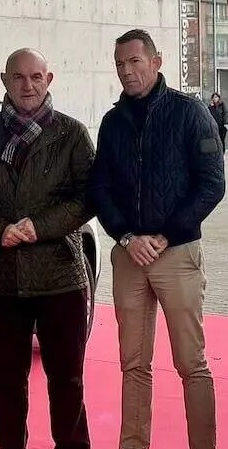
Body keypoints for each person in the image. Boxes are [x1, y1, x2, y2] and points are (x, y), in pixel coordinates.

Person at [0, 48, 95, 449]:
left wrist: (40, 227)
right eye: (18, 77)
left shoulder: (72, 134)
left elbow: (89, 198)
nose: (27, 85)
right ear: (4, 81)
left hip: (61, 278)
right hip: (2, 280)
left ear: (49, 80)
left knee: (68, 383)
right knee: (6, 385)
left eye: (36, 77)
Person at [90, 29, 224, 449]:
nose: (127, 71)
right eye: (120, 65)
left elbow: (212, 183)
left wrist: (165, 236)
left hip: (177, 254)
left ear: (157, 61)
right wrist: (127, 236)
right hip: (129, 256)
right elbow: (100, 189)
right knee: (133, 364)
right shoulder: (112, 122)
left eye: (134, 62)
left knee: (192, 364)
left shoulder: (190, 113)